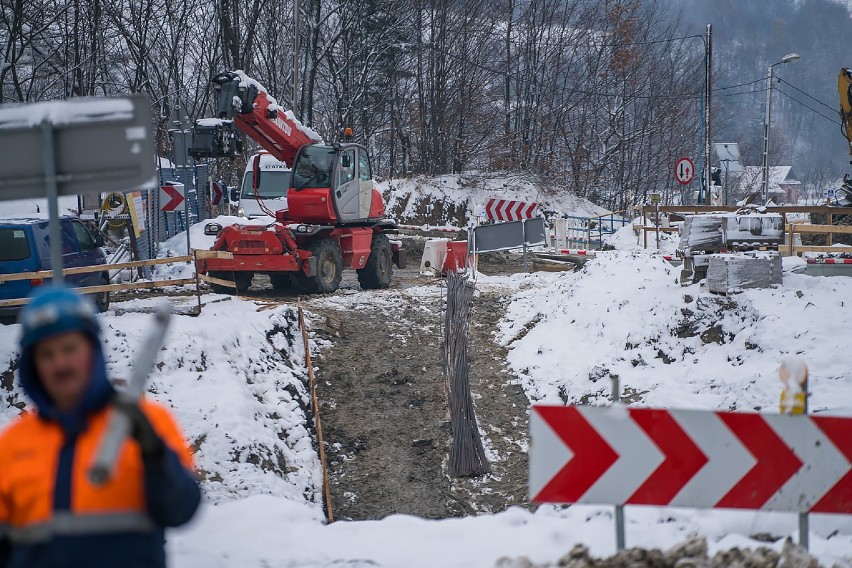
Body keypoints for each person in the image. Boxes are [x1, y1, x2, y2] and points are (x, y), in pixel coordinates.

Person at [0, 286, 201, 568]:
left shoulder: (148, 422)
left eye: (70, 348)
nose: (60, 363)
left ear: (92, 350)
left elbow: (182, 509)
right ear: (33, 366)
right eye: (47, 354)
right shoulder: (12, 444)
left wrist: (154, 455)